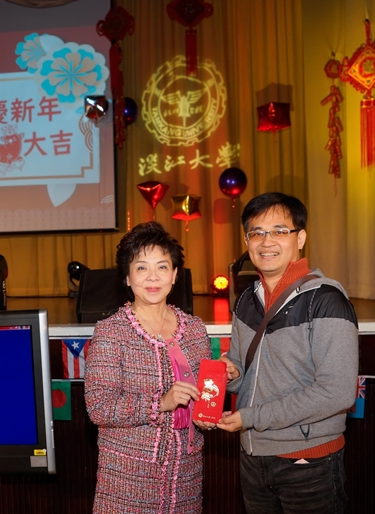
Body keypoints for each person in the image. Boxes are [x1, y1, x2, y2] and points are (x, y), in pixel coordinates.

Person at [217, 192, 359, 514]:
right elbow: (241, 373)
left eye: (279, 231)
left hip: (308, 460)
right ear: (246, 241)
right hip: (253, 455)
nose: (267, 242)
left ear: (301, 238)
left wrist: (250, 417)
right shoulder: (246, 300)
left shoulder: (325, 299)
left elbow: (337, 392)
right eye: (257, 233)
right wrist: (232, 374)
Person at [84, 221, 212, 514]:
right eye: (141, 267)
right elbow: (99, 407)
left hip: (186, 475)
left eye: (162, 267)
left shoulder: (194, 329)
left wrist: (210, 411)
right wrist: (161, 402)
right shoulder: (111, 332)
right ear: (127, 277)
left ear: (175, 275)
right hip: (129, 478)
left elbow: (203, 397)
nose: (153, 277)